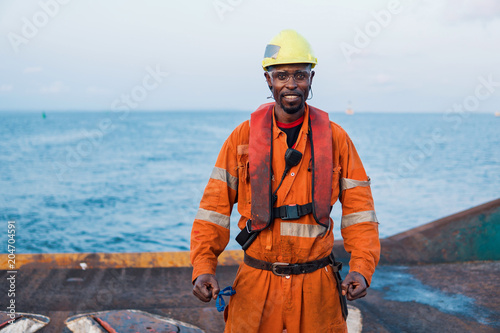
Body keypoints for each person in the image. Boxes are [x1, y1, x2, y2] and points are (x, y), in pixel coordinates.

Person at [190, 29, 380, 333]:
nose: (291, 84)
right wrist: (203, 268)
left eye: (300, 75)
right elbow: (213, 209)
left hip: (317, 287)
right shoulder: (242, 138)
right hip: (256, 283)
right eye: (281, 76)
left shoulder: (336, 139)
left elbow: (360, 214)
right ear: (268, 79)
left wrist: (361, 269)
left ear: (311, 79)